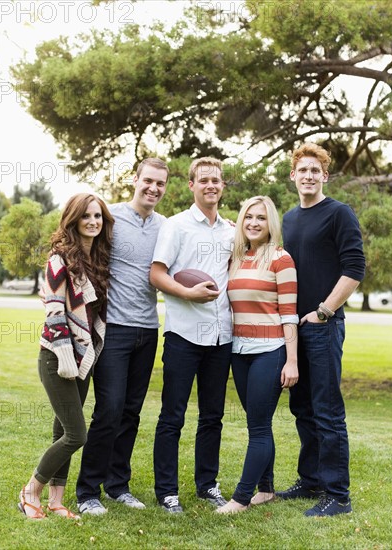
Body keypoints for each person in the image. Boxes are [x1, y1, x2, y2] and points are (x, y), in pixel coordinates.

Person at [76, 158, 169, 515]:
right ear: (135, 180)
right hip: (112, 329)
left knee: (130, 412)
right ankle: (87, 492)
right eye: (148, 181)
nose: (153, 188)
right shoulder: (109, 218)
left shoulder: (165, 226)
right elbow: (79, 248)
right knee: (109, 410)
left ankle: (117, 485)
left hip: (148, 329)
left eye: (160, 184)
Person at [278, 142, 365, 517]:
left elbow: (354, 269)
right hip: (294, 330)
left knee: (327, 411)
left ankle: (338, 495)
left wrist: (324, 312)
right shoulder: (289, 219)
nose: (309, 176)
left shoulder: (339, 213)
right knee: (303, 408)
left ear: (324, 176)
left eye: (316, 170)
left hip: (324, 327)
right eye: (303, 170)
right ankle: (310, 479)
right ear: (293, 176)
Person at [18, 193, 114, 520]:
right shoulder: (59, 259)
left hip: (83, 356)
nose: (93, 221)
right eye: (86, 216)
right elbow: (55, 312)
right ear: (73, 219)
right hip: (56, 357)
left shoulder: (99, 259)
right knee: (77, 434)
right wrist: (64, 356)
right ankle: (31, 490)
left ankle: (56, 501)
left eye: (98, 216)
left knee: (62, 432)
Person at [150, 157, 234, 513]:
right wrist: (187, 293)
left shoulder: (233, 230)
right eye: (203, 180)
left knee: (212, 416)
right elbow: (157, 274)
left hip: (221, 337)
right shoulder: (176, 226)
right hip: (184, 335)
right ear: (191, 185)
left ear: (223, 186)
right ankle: (167, 492)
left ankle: (207, 484)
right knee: (173, 415)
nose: (210, 185)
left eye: (216, 180)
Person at [217, 196, 299, 514]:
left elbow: (289, 314)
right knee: (257, 423)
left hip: (271, 351)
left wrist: (291, 361)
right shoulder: (236, 258)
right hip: (239, 352)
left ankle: (240, 498)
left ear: (271, 224)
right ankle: (265, 490)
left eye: (261, 218)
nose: (253, 223)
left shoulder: (281, 259)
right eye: (248, 217)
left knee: (259, 427)